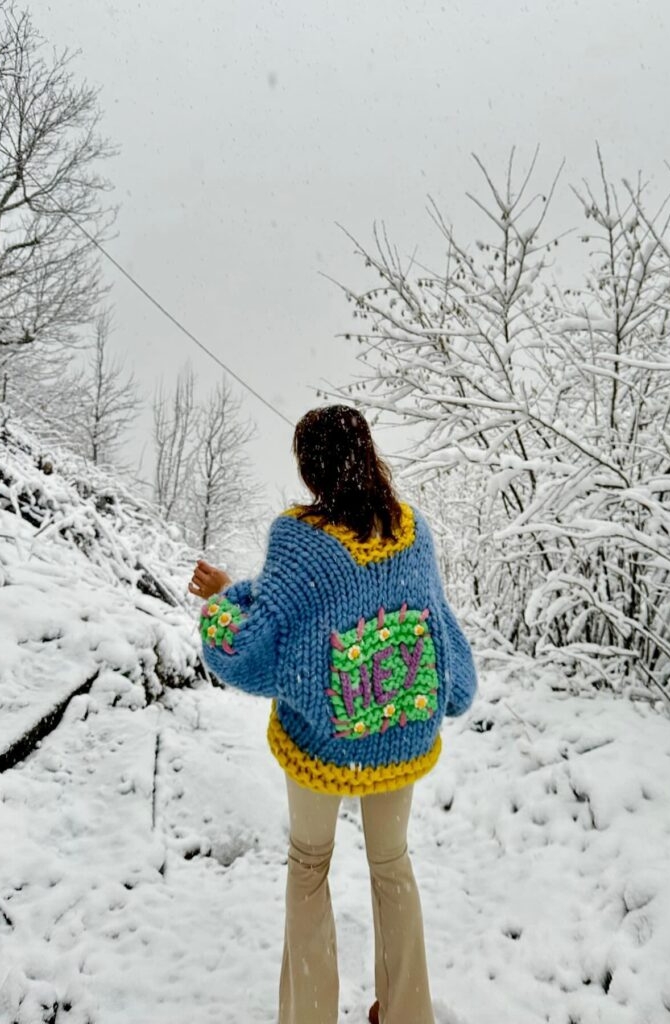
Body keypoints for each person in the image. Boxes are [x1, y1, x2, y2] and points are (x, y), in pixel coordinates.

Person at [188, 404, 477, 1024]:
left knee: (309, 867)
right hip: (399, 736)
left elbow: (257, 643)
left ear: (312, 471)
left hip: (320, 744)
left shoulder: (299, 541)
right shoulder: (412, 531)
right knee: (392, 868)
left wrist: (219, 602)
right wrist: (454, 691)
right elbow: (439, 633)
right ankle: (407, 1013)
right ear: (368, 455)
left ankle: (310, 1016)